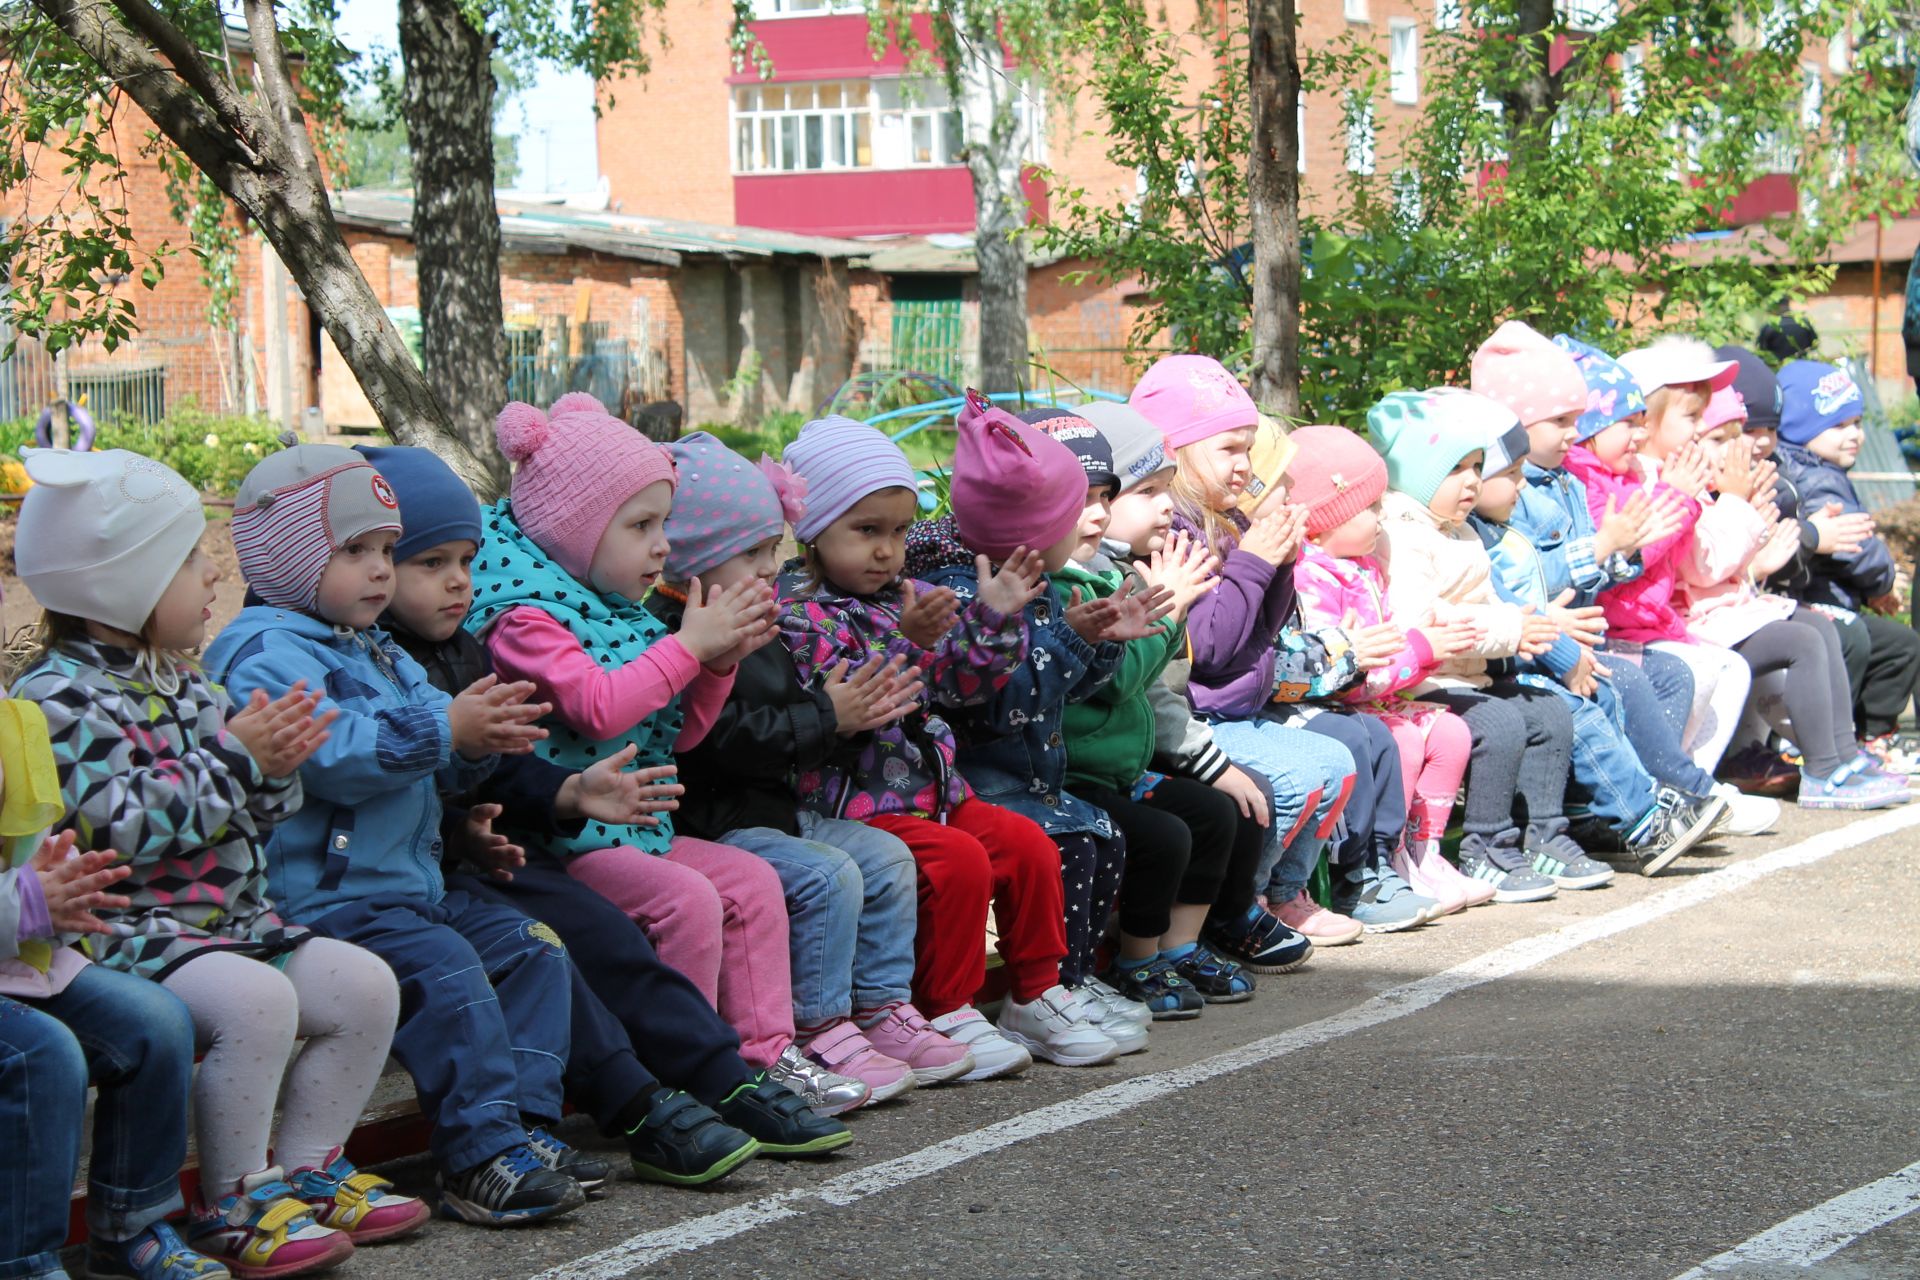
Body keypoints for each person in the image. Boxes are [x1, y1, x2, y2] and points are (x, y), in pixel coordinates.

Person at [364, 443, 853, 1187]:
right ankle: (646, 1098)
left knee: (593, 932)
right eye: (428, 562)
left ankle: (719, 1078)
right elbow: (592, 710)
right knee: (576, 933)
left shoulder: (453, 642)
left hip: (491, 846)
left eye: (463, 559)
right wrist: (694, 651)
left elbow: (500, 759)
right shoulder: (506, 620)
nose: (459, 581)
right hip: (425, 875)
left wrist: (558, 792)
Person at [16, 447, 431, 1274]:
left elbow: (256, 815)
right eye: (185, 560)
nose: (213, 575)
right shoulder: (57, 696)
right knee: (255, 1002)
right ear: (116, 581)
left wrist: (277, 772)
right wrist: (240, 763)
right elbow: (117, 827)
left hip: (233, 923)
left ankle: (310, 1170)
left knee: (364, 985)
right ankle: (233, 1198)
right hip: (137, 937)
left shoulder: (186, 681)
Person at [204, 441, 593, 1228]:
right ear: (287, 557)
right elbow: (338, 758)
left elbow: (423, 763)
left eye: (386, 549)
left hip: (405, 890)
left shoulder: (375, 648)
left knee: (531, 947)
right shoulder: (261, 654)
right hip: (324, 899)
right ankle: (477, 1158)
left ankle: (522, 1131)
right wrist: (449, 729)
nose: (380, 570)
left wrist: (472, 772)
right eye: (355, 551)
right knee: (447, 970)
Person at [464, 395, 812, 1095]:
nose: (663, 544)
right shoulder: (523, 616)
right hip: (558, 842)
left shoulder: (609, 601)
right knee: (684, 898)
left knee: (750, 881)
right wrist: (691, 648)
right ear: (574, 528)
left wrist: (716, 665)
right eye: (641, 525)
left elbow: (676, 733)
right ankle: (683, 1074)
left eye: (664, 522)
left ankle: (764, 1059)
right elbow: (597, 709)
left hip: (627, 830)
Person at [649, 432, 976, 1092]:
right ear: (694, 557)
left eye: (771, 547)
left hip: (774, 807)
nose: (772, 566)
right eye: (750, 552)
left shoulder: (753, 616)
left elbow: (801, 709)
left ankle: (880, 1007)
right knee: (824, 876)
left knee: (884, 859)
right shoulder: (677, 630)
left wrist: (847, 719)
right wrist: (829, 716)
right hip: (717, 820)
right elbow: (715, 740)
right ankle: (816, 1027)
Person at [775, 413, 1091, 1078]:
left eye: (896, 531)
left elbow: (960, 686)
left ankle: (1035, 991)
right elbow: (854, 694)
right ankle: (946, 1004)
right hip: (856, 804)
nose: (887, 551)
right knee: (957, 862)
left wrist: (992, 618)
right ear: (811, 530)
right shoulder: (795, 612)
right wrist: (909, 642)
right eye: (866, 532)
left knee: (1027, 845)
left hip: (933, 789)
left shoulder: (903, 596)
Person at [900, 403, 1166, 1043]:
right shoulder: (967, 594)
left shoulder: (1041, 585)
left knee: (1103, 834)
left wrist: (1099, 641)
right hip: (983, 783)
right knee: (1068, 843)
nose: (1081, 527)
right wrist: (1070, 640)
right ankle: (1039, 991)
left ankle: (1069, 980)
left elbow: (1065, 692)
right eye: (1069, 514)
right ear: (1030, 528)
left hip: (1031, 781)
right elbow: (999, 704)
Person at [0, 634, 214, 1280]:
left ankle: (130, 1227)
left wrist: (56, 892)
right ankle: (24, 1259)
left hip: (17, 959)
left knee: (152, 1023)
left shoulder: (12, 724)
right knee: (41, 1056)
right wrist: (27, 903)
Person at [1128, 357, 1365, 926]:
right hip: (1198, 722)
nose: (1244, 466)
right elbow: (1209, 646)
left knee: (1335, 758)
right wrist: (1257, 560)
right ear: (1176, 450)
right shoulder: (1174, 533)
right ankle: (1239, 907)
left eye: (1248, 447)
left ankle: (1279, 895)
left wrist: (1279, 564)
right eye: (1228, 449)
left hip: (1239, 708)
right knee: (1286, 778)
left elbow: (1257, 636)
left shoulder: (1226, 521)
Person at [1369, 387, 1609, 897]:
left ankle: (1543, 833)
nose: (1473, 483)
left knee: (1547, 711)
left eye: (1478, 468)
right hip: (1419, 681)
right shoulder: (1403, 534)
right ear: (1419, 473)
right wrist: (1508, 628)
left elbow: (1483, 604)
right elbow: (1422, 620)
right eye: (1457, 470)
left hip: (1466, 672)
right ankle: (1484, 845)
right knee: (1497, 722)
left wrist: (1515, 626)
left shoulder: (1458, 530)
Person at [1469, 420, 1732, 874]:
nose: (1521, 485)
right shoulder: (1477, 539)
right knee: (1581, 709)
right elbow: (1516, 610)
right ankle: (1646, 822)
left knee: (1605, 690)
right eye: (1508, 475)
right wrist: (1566, 651)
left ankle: (1593, 818)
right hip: (1506, 664)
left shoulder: (1502, 527)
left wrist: (1616, 552)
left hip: (1533, 651)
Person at [1287, 425, 1477, 926]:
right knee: (1401, 742)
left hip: (1383, 693)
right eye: (1367, 508)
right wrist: (1419, 649)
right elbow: (1348, 675)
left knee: (1451, 731)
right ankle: (1375, 861)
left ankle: (1422, 852)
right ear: (1320, 523)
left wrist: (1426, 638)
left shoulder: (1365, 565)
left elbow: (1388, 637)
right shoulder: (1311, 578)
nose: (1381, 518)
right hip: (1344, 702)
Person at [1719, 346, 1920, 773]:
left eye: (1858, 423)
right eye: (1838, 424)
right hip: (1767, 601)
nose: (1855, 435)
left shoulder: (1804, 471)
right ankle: (1818, 746)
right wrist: (1881, 585)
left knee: (1891, 642)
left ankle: (1861, 741)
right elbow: (1854, 548)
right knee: (1841, 635)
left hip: (1788, 594)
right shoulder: (1807, 477)